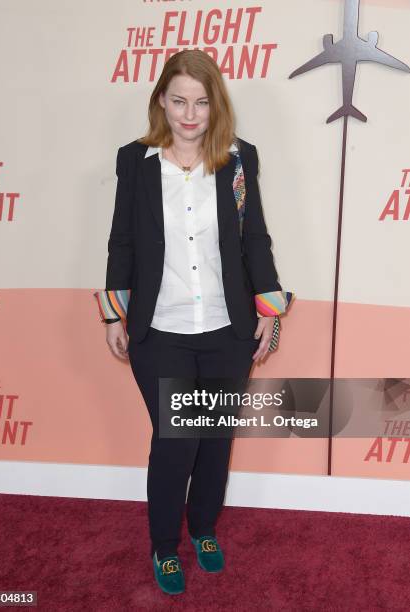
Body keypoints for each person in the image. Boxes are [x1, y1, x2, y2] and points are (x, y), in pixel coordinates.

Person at [94, 49, 293, 596]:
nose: (189, 113)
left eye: (201, 102)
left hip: (227, 329)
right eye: (179, 100)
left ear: (215, 104)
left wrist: (269, 314)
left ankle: (203, 529)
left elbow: (255, 240)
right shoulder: (135, 161)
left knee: (213, 438)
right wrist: (116, 311)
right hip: (159, 330)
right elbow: (122, 241)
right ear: (161, 99)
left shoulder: (237, 159)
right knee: (176, 439)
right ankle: (164, 545)